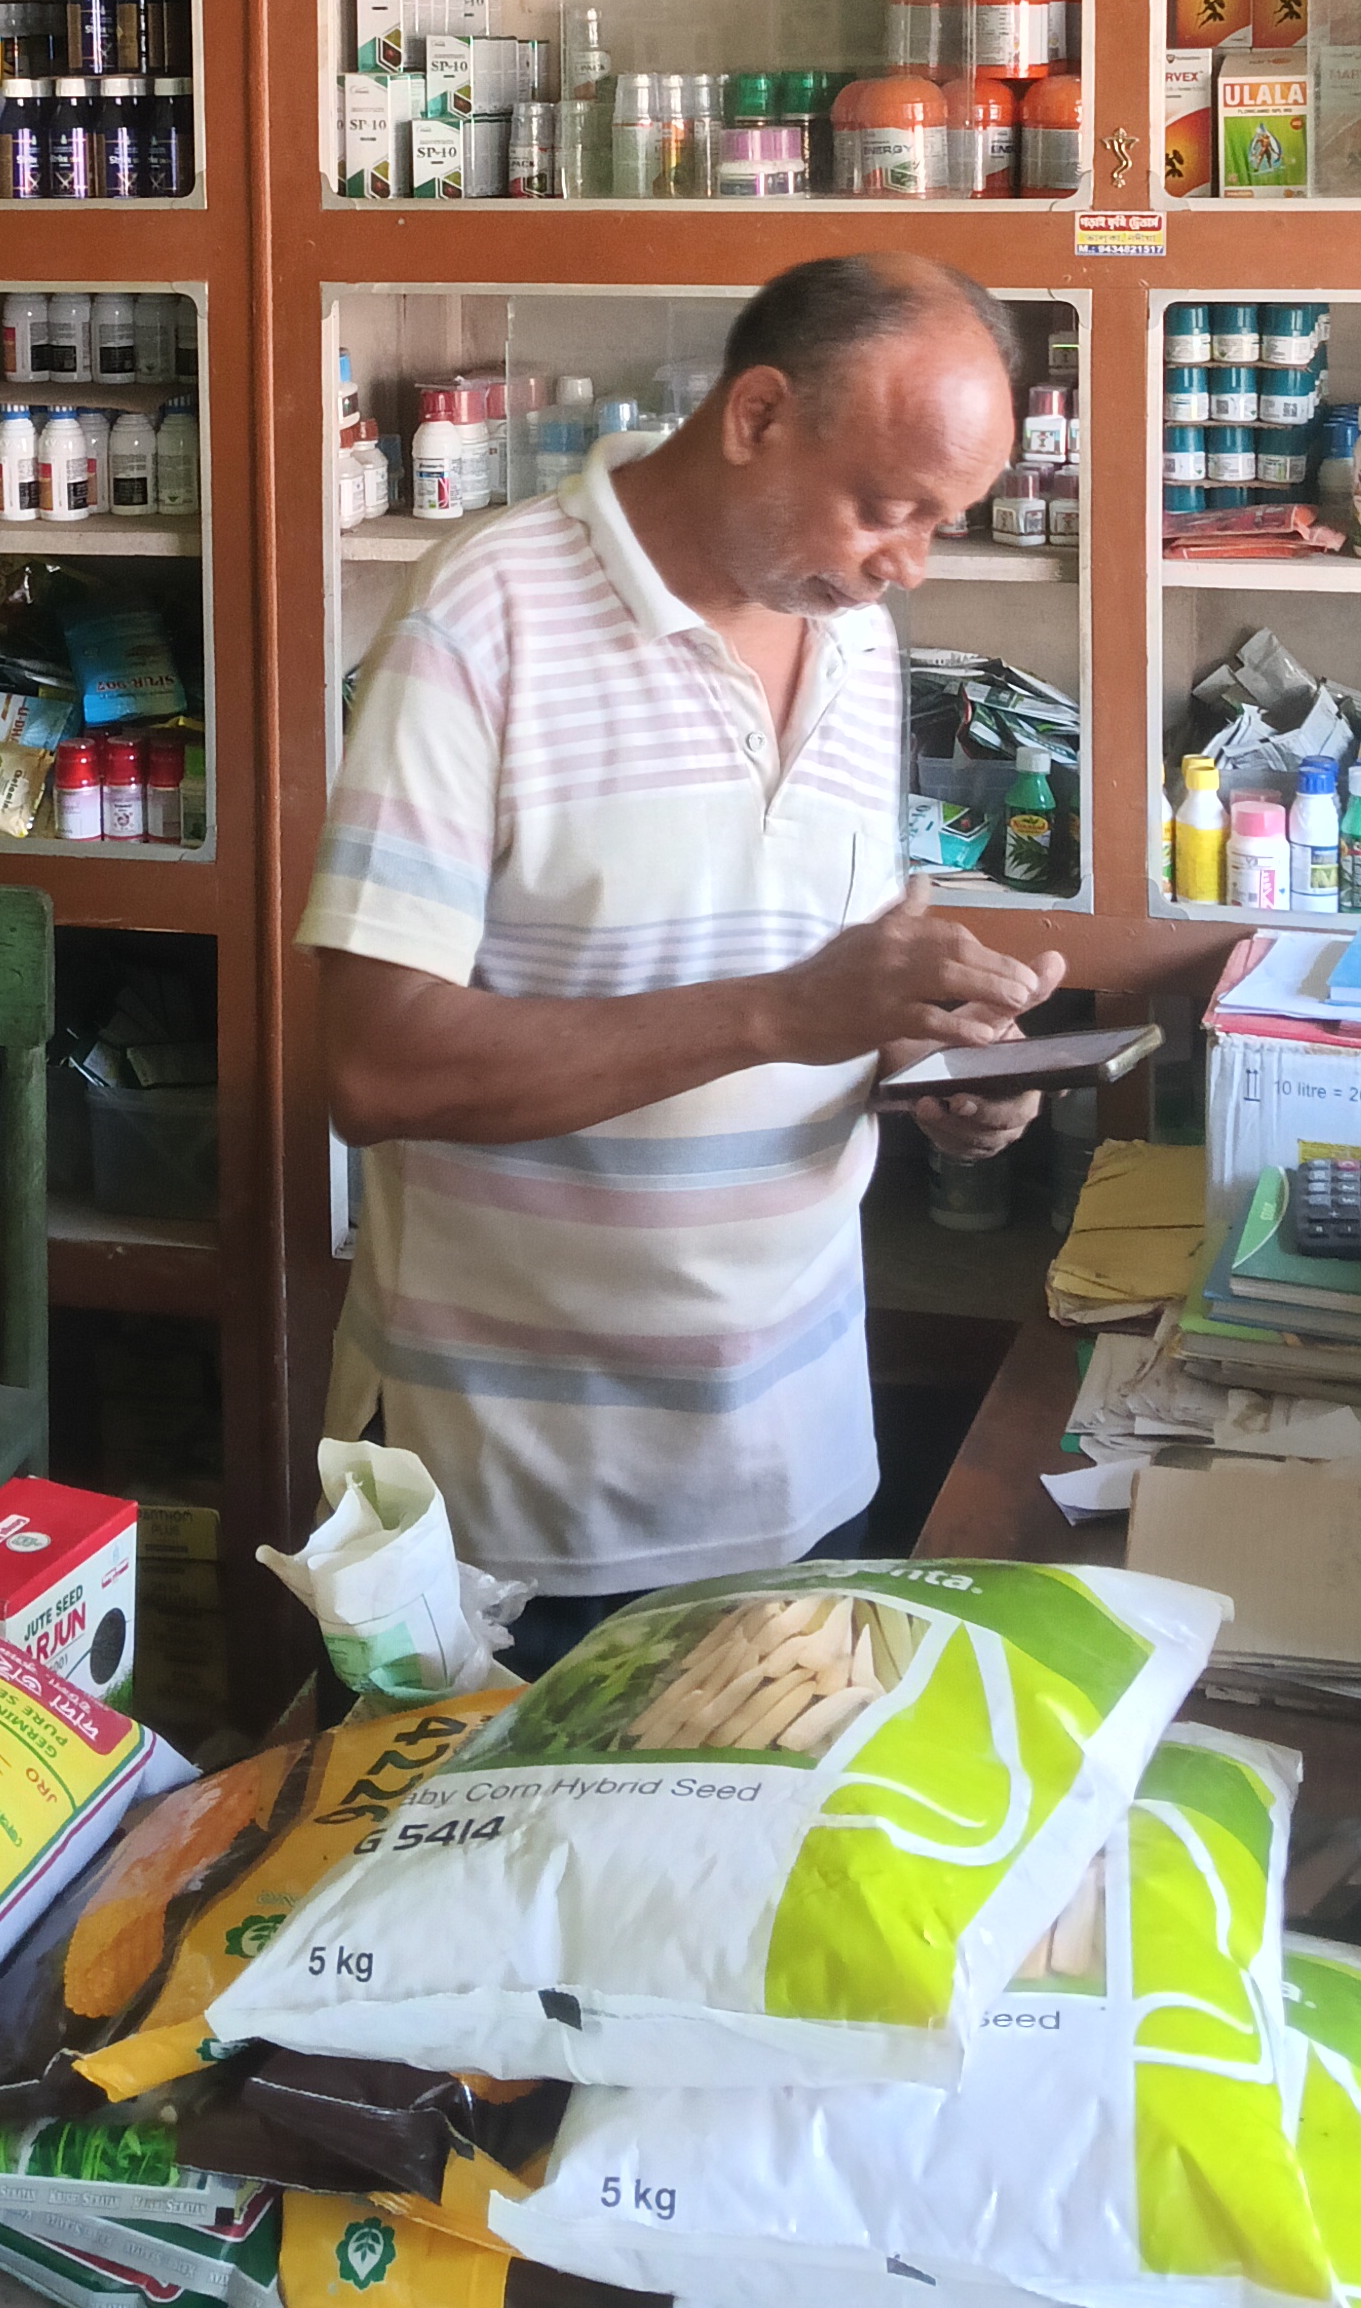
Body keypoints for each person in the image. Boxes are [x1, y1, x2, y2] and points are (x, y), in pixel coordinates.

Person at [300, 254, 1061, 1662]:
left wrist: (936, 1063)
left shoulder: (857, 637)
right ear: (758, 416)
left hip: (798, 1459)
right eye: (887, 508)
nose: (909, 564)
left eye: (941, 523)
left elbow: (836, 972)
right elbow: (374, 1066)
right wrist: (777, 1014)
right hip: (523, 1507)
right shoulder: (484, 616)